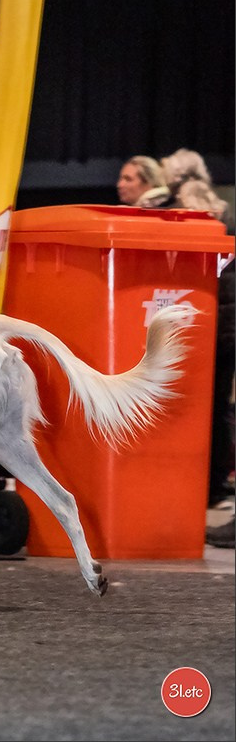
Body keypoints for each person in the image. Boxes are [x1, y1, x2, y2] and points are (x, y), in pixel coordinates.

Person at [159, 149, 235, 520]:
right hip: (228, 326)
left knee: (184, 404)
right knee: (219, 406)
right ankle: (215, 485)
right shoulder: (224, 208)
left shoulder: (179, 207)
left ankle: (181, 480)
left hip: (201, 320)